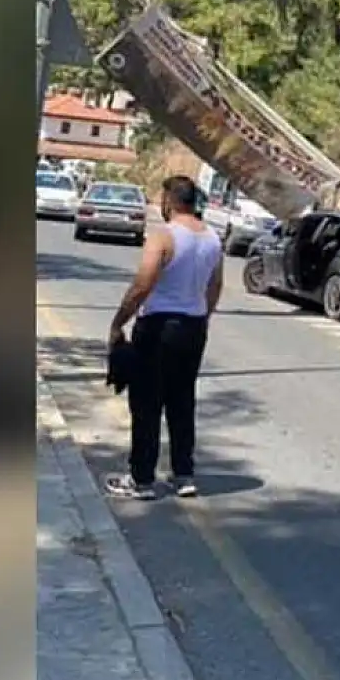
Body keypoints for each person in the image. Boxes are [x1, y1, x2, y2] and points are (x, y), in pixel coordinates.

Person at [105, 176, 224, 500]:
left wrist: (119, 323)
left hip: (159, 327)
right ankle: (183, 474)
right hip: (193, 328)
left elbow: (143, 285)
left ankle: (142, 479)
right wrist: (203, 317)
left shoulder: (164, 236)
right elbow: (215, 286)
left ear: (170, 200)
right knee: (182, 400)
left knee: (146, 403)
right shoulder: (213, 238)